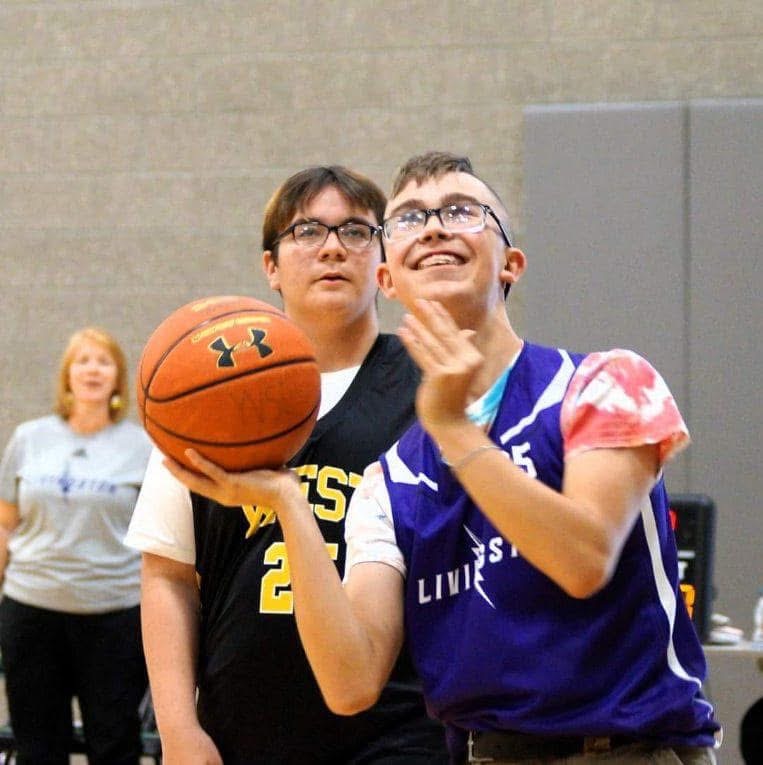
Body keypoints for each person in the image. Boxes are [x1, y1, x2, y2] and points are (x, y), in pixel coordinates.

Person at [165, 151, 722, 765]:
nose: (433, 226)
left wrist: (455, 432)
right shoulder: (390, 479)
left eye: (461, 212)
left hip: (628, 752)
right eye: (406, 219)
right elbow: (351, 684)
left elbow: (582, 559)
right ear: (387, 278)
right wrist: (287, 504)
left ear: (510, 263)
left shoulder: (604, 381)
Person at [125, 166, 448, 764]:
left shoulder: (434, 383)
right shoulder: (200, 383)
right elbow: (168, 573)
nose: (331, 246)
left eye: (355, 230)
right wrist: (177, 730)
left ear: (382, 262)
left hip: (400, 725)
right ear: (270, 266)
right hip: (241, 725)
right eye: (307, 231)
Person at [0, 326, 152, 765]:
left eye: (103, 362)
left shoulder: (141, 446)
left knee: (115, 744)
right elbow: (6, 524)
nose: (92, 370)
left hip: (113, 617)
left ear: (117, 378)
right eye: (82, 361)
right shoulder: (30, 438)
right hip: (31, 611)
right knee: (37, 745)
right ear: (67, 375)